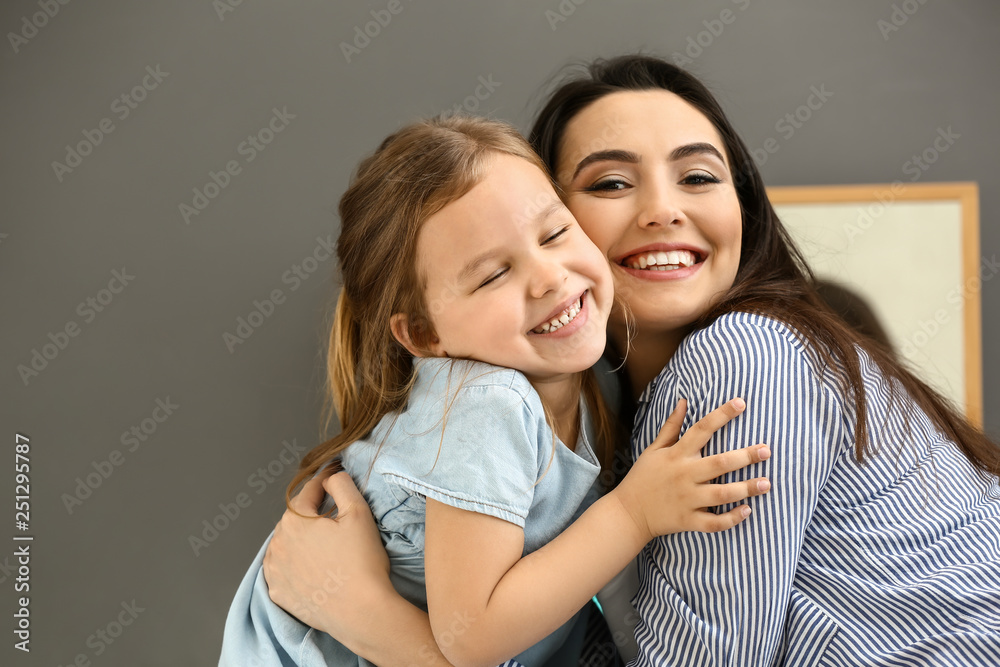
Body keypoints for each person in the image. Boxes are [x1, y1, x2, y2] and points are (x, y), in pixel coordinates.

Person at [263, 55, 1000, 665]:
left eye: (700, 176)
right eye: (611, 182)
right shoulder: (586, 421)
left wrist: (364, 614)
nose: (661, 210)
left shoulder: (742, 358)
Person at [219, 114, 773, 667]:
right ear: (424, 334)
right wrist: (634, 514)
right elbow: (474, 636)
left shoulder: (584, 377)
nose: (550, 278)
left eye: (554, 234)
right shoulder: (487, 403)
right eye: (491, 276)